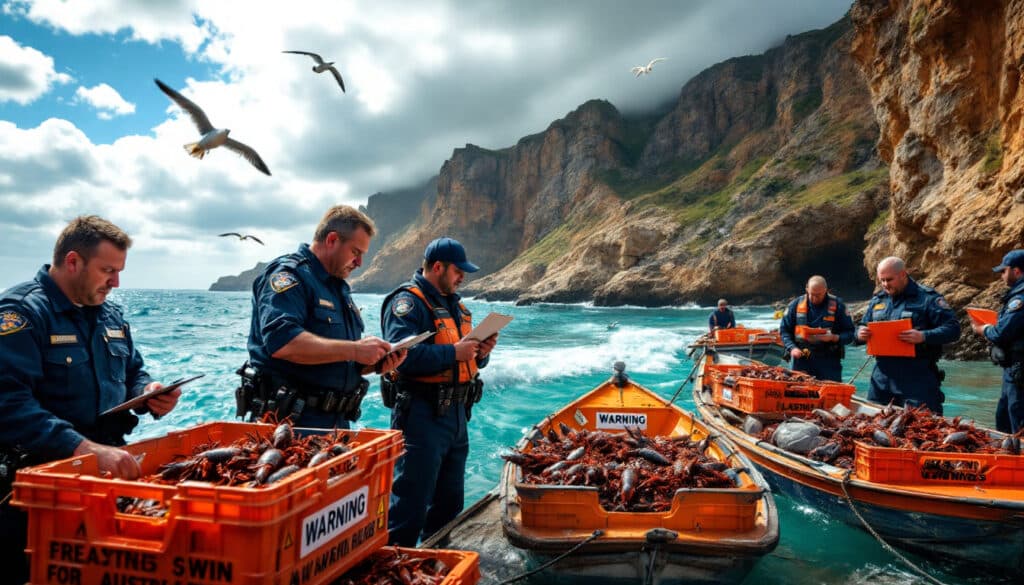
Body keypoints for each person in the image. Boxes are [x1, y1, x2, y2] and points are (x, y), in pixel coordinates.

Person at [0, 215, 181, 582]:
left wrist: (148, 393)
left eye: (119, 271)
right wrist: (82, 447)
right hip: (36, 487)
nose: (116, 282)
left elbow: (133, 372)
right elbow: (8, 403)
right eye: (107, 271)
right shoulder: (20, 314)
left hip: (105, 475)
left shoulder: (110, 315)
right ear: (72, 262)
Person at [380, 236, 498, 546]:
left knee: (448, 505)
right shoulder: (408, 304)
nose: (463, 278)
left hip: (457, 417)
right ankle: (395, 572)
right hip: (421, 415)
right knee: (409, 507)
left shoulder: (457, 306)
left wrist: (481, 352)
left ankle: (433, 568)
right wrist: (454, 353)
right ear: (437, 267)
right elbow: (402, 358)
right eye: (458, 271)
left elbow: (468, 359)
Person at [242, 205, 405, 429]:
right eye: (356, 252)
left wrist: (374, 364)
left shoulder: (338, 289)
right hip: (290, 425)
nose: (359, 263)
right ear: (331, 240)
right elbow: (283, 342)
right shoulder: (289, 276)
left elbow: (337, 359)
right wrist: (355, 349)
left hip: (335, 424)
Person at [855, 256, 960, 414]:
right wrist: (859, 334)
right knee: (873, 425)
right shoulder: (878, 300)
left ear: (903, 274)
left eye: (889, 279)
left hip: (917, 379)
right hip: (881, 379)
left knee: (920, 430)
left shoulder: (927, 298)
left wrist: (923, 336)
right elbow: (861, 326)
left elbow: (953, 329)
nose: (885, 285)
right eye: (881, 280)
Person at [971, 250, 1024, 433]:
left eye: (1004, 271)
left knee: (1016, 421)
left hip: (1019, 370)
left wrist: (983, 329)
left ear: (1016, 271)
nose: (1001, 276)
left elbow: (1002, 333)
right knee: (1005, 418)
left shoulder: (1020, 299)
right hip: (1013, 369)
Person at [779, 276, 855, 381]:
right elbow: (784, 331)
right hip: (801, 359)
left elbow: (851, 333)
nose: (814, 298)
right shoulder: (794, 306)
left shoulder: (838, 306)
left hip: (829, 361)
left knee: (830, 394)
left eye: (818, 295)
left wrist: (834, 337)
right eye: (812, 295)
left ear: (826, 291)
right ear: (807, 289)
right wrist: (792, 348)